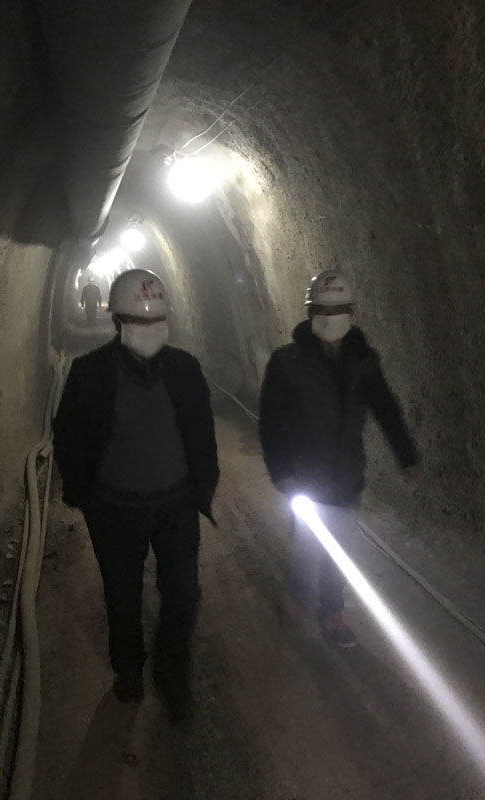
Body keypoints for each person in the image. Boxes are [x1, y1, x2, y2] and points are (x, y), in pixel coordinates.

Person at [53, 268, 219, 717]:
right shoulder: (91, 373)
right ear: (117, 322)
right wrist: (83, 494)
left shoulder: (184, 369)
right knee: (122, 597)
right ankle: (128, 669)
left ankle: (172, 675)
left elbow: (202, 432)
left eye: (156, 321)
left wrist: (204, 486)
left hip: (175, 508)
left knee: (183, 593)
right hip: (114, 510)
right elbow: (68, 436)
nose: (149, 330)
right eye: (139, 322)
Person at [259, 270, 419, 648]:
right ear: (310, 312)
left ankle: (331, 611)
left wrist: (406, 454)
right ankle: (299, 598)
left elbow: (385, 409)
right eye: (323, 310)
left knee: (341, 551)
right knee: (307, 546)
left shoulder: (364, 362)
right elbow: (271, 421)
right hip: (305, 477)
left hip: (346, 476)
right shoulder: (287, 363)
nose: (329, 317)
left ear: (350, 312)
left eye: (337, 309)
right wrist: (281, 471)